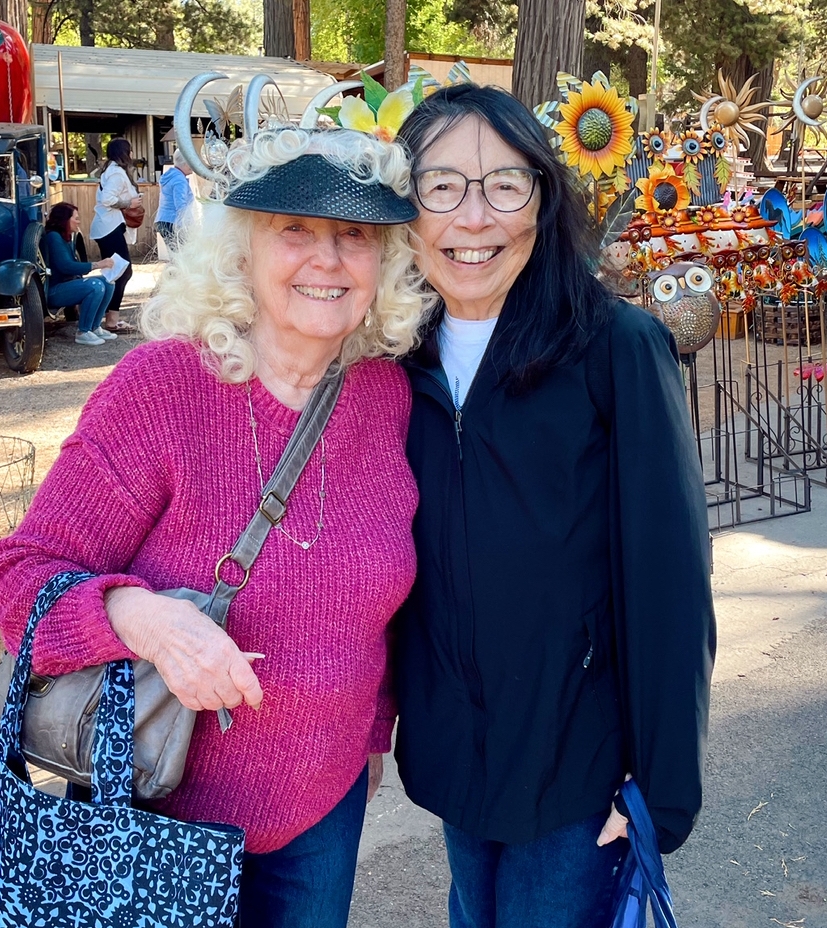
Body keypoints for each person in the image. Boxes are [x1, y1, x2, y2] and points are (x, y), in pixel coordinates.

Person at [0, 124, 429, 928]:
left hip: (322, 810)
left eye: (354, 236)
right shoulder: (164, 387)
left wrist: (368, 737)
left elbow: (382, 611)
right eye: (294, 229)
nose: (326, 260)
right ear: (244, 250)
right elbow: (21, 580)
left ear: (385, 262)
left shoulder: (385, 397)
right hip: (153, 812)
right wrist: (143, 619)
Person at [393, 83, 717, 928]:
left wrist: (663, 785)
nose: (474, 218)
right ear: (407, 206)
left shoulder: (615, 348)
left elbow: (669, 583)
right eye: (442, 186)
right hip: (459, 765)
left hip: (578, 770)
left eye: (505, 184)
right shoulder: (391, 362)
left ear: (542, 198)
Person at [43, 202, 116, 346]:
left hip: (66, 285)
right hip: (54, 290)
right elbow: (66, 266)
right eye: (75, 218)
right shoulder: (53, 237)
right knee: (94, 286)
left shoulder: (66, 237)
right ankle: (83, 331)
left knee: (108, 281)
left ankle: (94, 327)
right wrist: (97, 265)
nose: (79, 222)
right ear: (65, 220)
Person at [90, 137, 140, 332]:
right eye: (130, 150)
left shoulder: (110, 171)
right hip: (109, 226)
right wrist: (130, 204)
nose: (133, 155)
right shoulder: (117, 173)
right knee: (121, 271)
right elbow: (107, 199)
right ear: (124, 153)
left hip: (107, 226)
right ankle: (110, 319)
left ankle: (108, 316)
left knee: (114, 271)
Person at [154, 148, 195, 248]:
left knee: (175, 255)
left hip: (163, 220)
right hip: (173, 221)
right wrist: (187, 226)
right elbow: (181, 205)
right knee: (182, 256)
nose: (193, 166)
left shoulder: (171, 176)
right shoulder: (179, 180)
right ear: (185, 163)